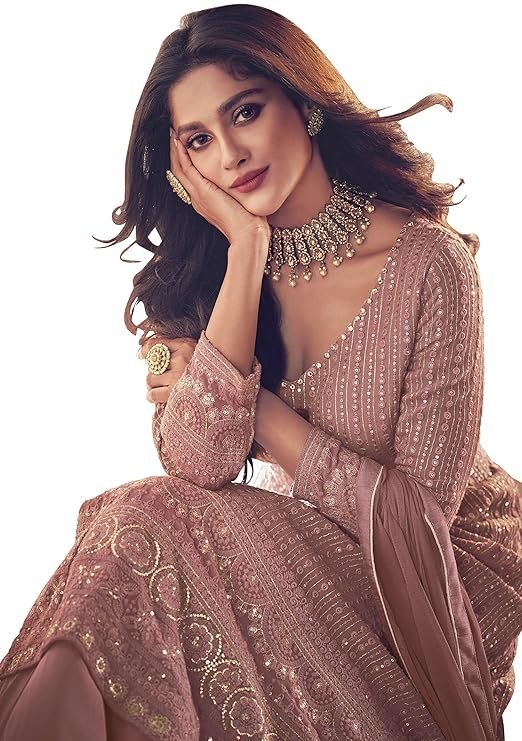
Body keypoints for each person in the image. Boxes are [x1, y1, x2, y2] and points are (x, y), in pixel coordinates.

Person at [0, 4, 520, 740]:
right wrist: (245, 250)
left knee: (144, 526)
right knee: (135, 544)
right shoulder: (212, 280)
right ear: (184, 171)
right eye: (199, 141)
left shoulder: (432, 264)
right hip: (291, 555)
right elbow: (197, 463)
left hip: (425, 601)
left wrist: (261, 412)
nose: (232, 154)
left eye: (245, 111)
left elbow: (417, 525)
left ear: (304, 102)